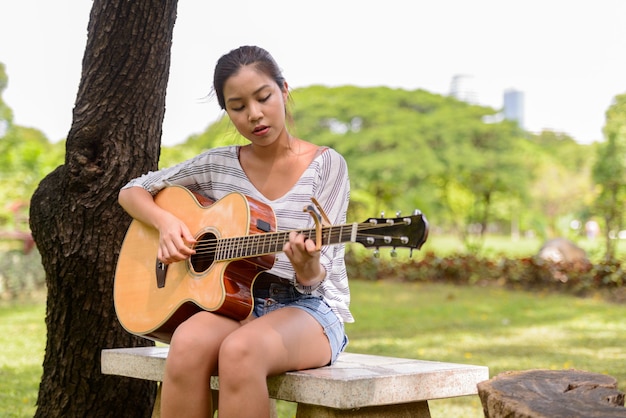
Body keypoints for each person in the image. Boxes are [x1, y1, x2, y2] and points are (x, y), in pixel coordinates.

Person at [118, 45, 352, 418]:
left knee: (240, 351)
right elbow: (132, 191)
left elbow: (314, 280)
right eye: (238, 106)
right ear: (226, 111)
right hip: (233, 300)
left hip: (307, 308)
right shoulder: (217, 164)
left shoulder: (326, 166)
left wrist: (306, 265)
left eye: (263, 98)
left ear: (284, 90)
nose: (255, 115)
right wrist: (167, 224)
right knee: (187, 343)